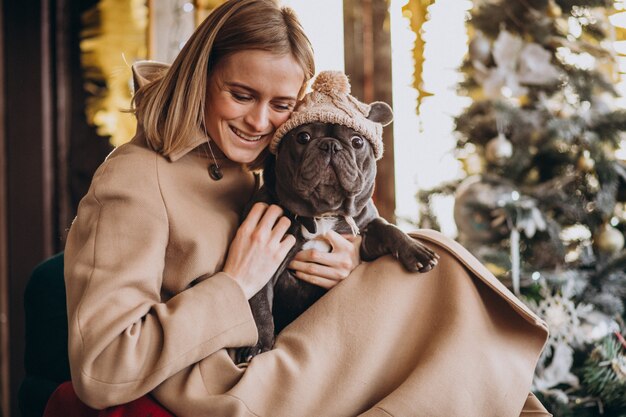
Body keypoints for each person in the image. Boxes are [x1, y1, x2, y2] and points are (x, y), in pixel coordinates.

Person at [64, 0, 552, 416]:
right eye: (240, 95)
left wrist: (350, 260)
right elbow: (102, 366)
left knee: (427, 283)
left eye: (281, 105)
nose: (258, 121)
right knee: (437, 289)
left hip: (290, 356)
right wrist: (235, 284)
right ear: (200, 78)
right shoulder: (134, 177)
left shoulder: (254, 168)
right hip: (228, 384)